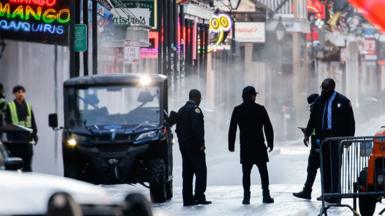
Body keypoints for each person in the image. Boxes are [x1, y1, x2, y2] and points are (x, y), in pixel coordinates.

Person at [303, 78, 355, 203]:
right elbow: (313, 119)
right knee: (325, 167)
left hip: (336, 138)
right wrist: (307, 134)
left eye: (326, 88)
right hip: (323, 138)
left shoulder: (343, 101)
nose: (323, 90)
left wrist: (349, 138)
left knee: (335, 167)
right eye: (322, 87)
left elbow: (350, 121)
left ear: (332, 88)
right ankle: (326, 193)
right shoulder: (319, 101)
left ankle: (335, 196)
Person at [228, 86, 274, 205]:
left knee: (246, 173)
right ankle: (266, 195)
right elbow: (268, 127)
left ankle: (246, 197)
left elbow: (232, 129)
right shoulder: (260, 109)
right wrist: (270, 143)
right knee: (263, 172)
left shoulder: (237, 110)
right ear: (252, 96)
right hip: (259, 145)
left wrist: (231, 145)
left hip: (246, 147)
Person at [175, 89, 211, 206]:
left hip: (184, 147)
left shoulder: (181, 110)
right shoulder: (195, 110)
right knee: (201, 171)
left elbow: (177, 130)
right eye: (200, 98)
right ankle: (199, 196)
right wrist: (201, 144)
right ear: (197, 98)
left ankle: (187, 199)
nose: (200, 101)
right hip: (195, 147)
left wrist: (182, 142)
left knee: (187, 173)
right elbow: (197, 129)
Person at [4, 85, 38, 172]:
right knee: (16, 163)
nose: (21, 94)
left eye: (22, 92)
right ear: (14, 94)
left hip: (27, 139)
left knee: (28, 164)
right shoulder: (10, 106)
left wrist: (35, 135)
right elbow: (8, 122)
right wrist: (10, 136)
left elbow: (32, 121)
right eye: (18, 92)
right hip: (15, 140)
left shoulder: (28, 105)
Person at [293, 93, 320, 200]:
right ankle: (307, 191)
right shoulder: (320, 110)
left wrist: (307, 132)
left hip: (319, 146)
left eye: (311, 105)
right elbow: (314, 128)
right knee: (312, 169)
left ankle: (309, 191)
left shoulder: (317, 111)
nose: (310, 108)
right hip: (318, 145)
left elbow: (314, 126)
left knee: (314, 169)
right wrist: (308, 132)